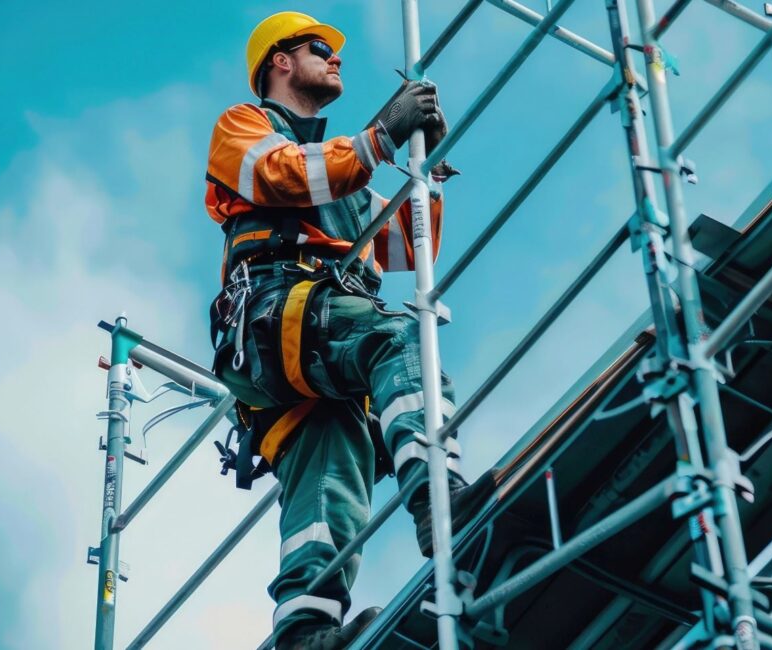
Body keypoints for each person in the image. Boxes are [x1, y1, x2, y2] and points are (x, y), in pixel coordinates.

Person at [204, 12, 494, 649]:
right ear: (279, 62)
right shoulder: (246, 126)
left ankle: (304, 632)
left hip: (319, 331)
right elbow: (276, 174)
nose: (334, 59)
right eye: (318, 49)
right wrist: (381, 139)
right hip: (281, 309)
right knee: (399, 341)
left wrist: (429, 167)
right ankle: (437, 497)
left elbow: (398, 251)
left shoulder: (344, 172)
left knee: (329, 485)